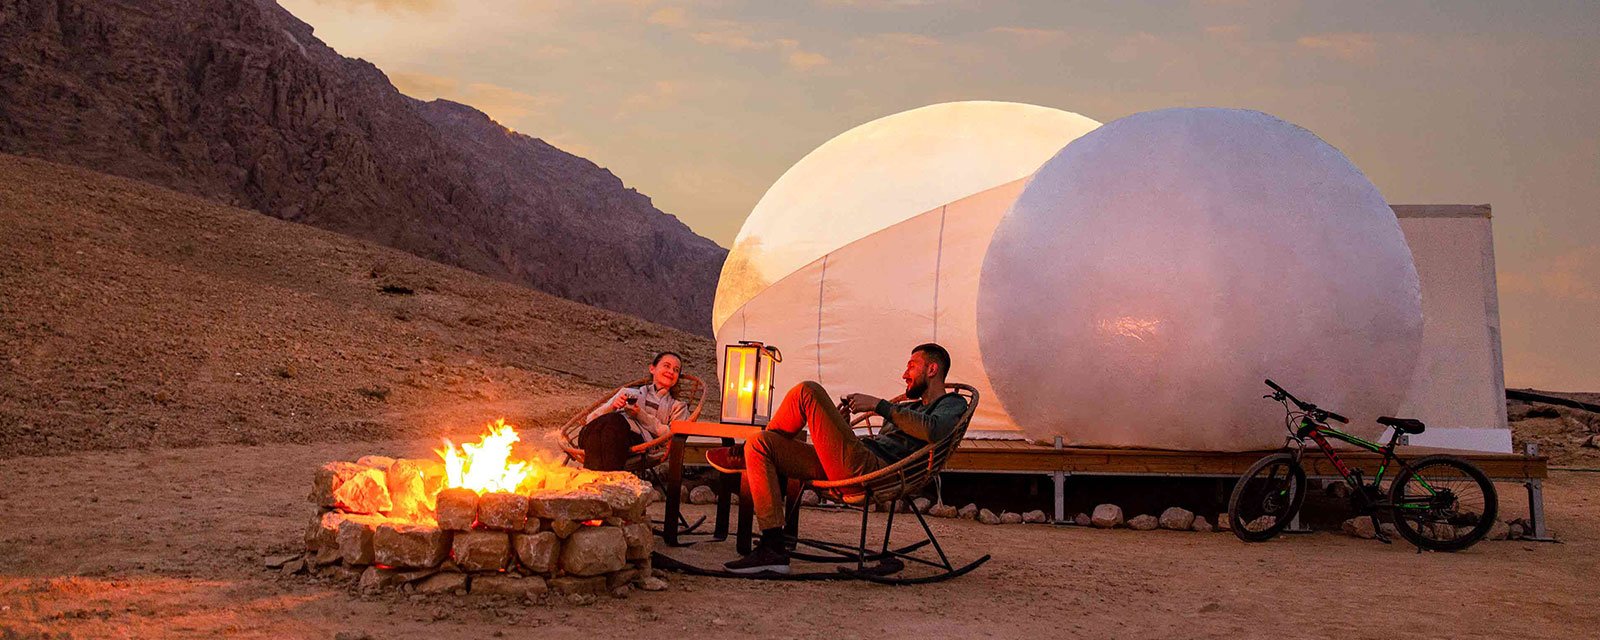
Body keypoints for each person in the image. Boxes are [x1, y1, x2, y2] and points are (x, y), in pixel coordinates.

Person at [705, 343, 967, 574]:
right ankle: (773, 546)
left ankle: (745, 455)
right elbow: (881, 443)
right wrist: (843, 431)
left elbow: (934, 431)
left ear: (932, 370)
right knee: (762, 444)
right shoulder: (908, 408)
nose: (904, 374)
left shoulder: (952, 404)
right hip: (856, 461)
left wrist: (879, 405)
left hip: (874, 473)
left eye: (911, 366)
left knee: (807, 391)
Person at [578, 351, 690, 471]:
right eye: (666, 366)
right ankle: (607, 480)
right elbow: (591, 420)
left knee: (614, 423)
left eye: (676, 370)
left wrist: (640, 415)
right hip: (595, 433)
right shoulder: (629, 392)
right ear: (652, 369)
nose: (671, 372)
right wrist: (613, 407)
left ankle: (596, 478)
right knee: (610, 423)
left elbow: (672, 436)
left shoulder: (678, 407)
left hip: (637, 441)